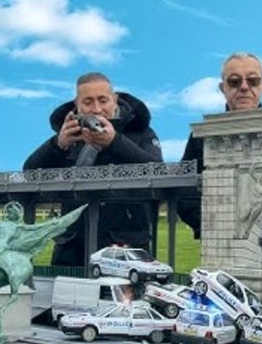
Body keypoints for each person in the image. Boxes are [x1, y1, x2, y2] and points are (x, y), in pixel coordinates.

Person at [24, 72, 162, 266]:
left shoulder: (140, 132)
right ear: (77, 104)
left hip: (124, 247)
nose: (97, 109)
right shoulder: (68, 135)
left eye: (103, 100)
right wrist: (58, 145)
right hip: (71, 247)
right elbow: (29, 174)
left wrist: (116, 143)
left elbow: (159, 173)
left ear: (114, 100)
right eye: (88, 102)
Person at [177, 53, 262, 239]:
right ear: (222, 88)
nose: (244, 87)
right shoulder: (202, 136)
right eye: (234, 82)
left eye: (253, 81)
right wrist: (214, 226)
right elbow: (183, 192)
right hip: (217, 238)